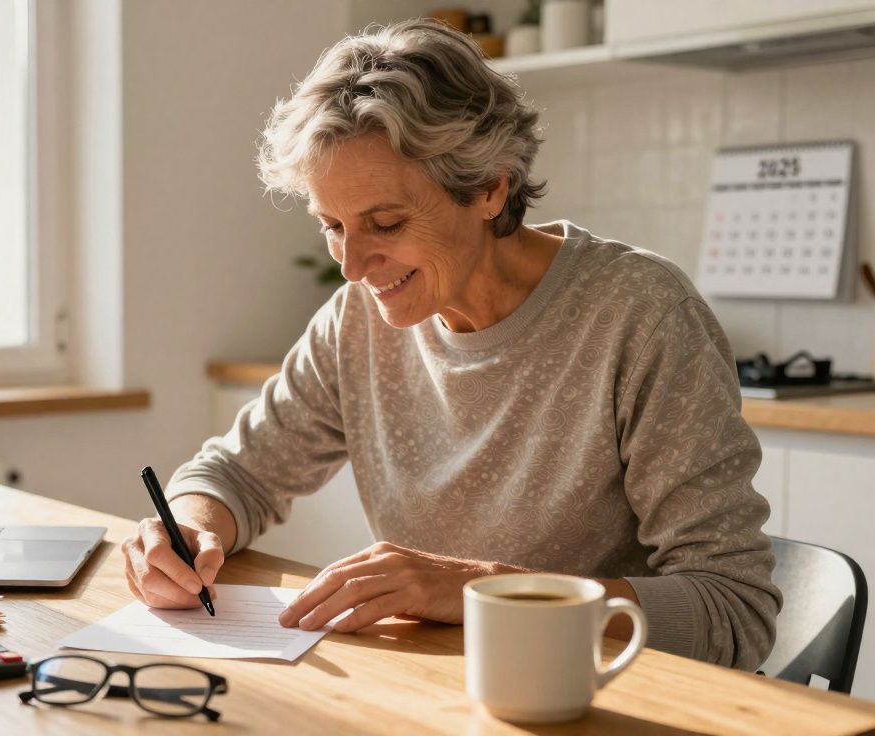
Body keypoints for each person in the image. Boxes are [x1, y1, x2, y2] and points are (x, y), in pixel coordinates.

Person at [121, 18, 780, 669]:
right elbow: (237, 473)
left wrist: (483, 591)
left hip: (606, 700)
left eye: (385, 222)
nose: (351, 266)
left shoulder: (640, 314)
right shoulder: (358, 319)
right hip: (441, 693)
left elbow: (732, 612)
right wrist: (188, 527)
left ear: (490, 187)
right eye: (332, 226)